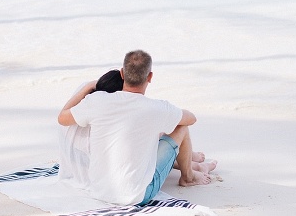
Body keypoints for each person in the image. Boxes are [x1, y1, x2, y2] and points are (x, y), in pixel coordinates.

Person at [57, 50, 213, 206]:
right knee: (180, 127)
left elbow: (62, 118)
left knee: (154, 128)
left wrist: (89, 86)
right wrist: (171, 112)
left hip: (99, 191)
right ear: (150, 77)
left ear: (122, 74)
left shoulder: (97, 100)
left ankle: (191, 164)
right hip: (136, 196)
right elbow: (191, 119)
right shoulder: (155, 108)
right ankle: (188, 178)